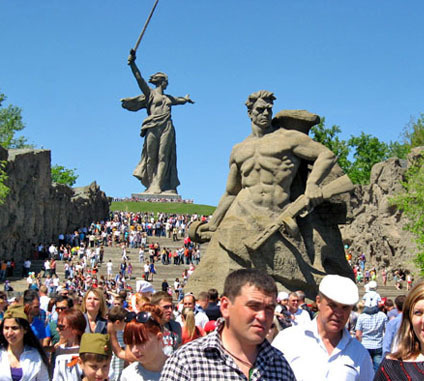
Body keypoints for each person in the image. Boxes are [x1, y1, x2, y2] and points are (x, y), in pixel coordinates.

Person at [188, 90, 353, 296]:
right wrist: (213, 223)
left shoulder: (288, 138)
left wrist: (313, 184)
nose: (265, 113)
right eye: (260, 109)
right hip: (240, 214)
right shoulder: (239, 149)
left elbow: (326, 155)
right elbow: (231, 192)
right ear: (249, 113)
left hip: (277, 214)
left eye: (268, 109)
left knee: (294, 275)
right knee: (215, 279)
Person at [160, 268, 296, 380]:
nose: (262, 316)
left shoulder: (280, 366)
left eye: (269, 308)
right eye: (253, 306)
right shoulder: (186, 362)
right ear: (225, 307)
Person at [272, 274, 373, 380]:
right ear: (318, 302)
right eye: (333, 305)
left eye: (345, 308)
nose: (338, 314)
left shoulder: (359, 353)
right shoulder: (288, 340)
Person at [121, 49, 194, 194]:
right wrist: (132, 64)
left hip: (167, 126)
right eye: (166, 81)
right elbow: (139, 79)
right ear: (162, 81)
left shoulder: (168, 98)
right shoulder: (150, 94)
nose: (167, 83)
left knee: (163, 156)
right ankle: (150, 184)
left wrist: (186, 99)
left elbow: (179, 100)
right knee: (150, 156)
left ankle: (158, 185)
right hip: (153, 126)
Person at [0, 304, 49, 380]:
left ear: (25, 329)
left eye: (14, 328)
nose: (9, 333)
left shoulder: (35, 356)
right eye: (6, 328)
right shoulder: (1, 354)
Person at [120, 305, 167, 381]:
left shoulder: (181, 368)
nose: (134, 350)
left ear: (159, 337)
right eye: (130, 344)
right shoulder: (128, 375)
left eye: (140, 342)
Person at [53, 308, 87, 381]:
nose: (57, 329)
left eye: (61, 327)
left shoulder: (86, 351)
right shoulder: (59, 350)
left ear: (75, 329)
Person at [355, 298, 388, 372]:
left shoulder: (361, 317)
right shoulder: (383, 316)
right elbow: (386, 331)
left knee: (365, 368)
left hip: (365, 344)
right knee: (378, 369)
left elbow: (358, 334)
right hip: (378, 344)